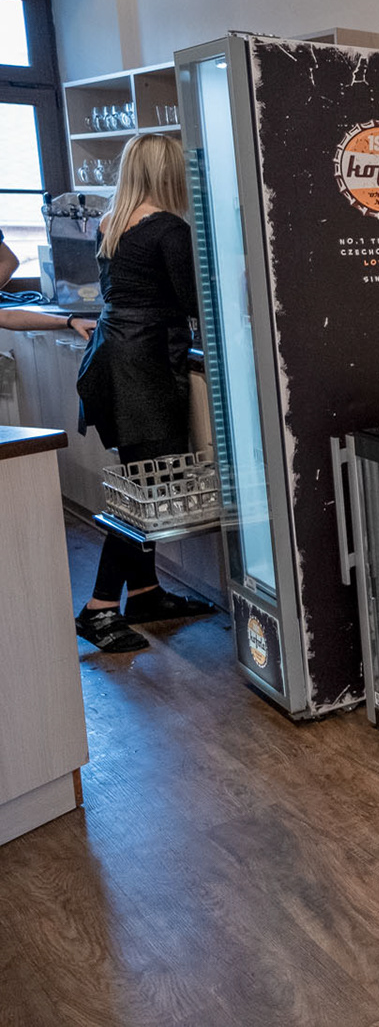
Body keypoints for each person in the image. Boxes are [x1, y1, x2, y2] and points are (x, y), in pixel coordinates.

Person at [73, 135, 217, 654]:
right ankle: (98, 610)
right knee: (146, 493)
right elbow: (194, 301)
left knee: (140, 480)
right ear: (169, 174)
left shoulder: (111, 223)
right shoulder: (170, 230)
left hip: (113, 359)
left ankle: (145, 593)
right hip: (145, 367)